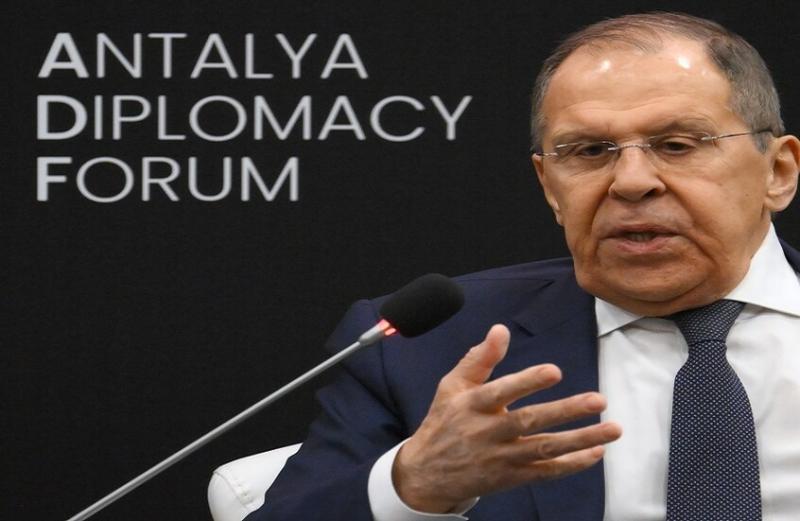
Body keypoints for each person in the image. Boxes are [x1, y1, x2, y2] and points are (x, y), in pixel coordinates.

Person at [246, 12, 800, 521]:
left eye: (677, 145)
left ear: (778, 172)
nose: (631, 182)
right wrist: (413, 485)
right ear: (550, 187)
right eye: (589, 152)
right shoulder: (422, 347)